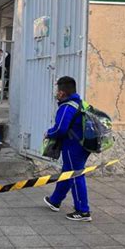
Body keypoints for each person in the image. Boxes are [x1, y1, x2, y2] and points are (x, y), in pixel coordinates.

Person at [43, 76, 92, 221]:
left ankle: (83, 210)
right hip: (84, 145)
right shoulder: (81, 103)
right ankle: (55, 200)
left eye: (58, 89)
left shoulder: (66, 107)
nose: (56, 93)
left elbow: (60, 129)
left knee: (76, 175)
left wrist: (48, 133)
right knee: (68, 172)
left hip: (73, 146)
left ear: (62, 92)